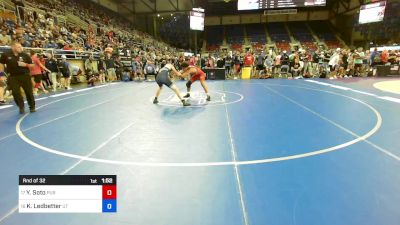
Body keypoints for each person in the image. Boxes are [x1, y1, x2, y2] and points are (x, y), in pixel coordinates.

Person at [0, 41, 35, 114]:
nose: (21, 48)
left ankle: (32, 107)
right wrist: (1, 74)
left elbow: (33, 65)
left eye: (21, 46)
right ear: (13, 47)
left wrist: (26, 65)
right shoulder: (6, 54)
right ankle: (21, 106)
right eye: (18, 47)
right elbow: (1, 64)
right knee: (15, 93)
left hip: (25, 76)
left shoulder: (25, 55)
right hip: (13, 77)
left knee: (29, 92)